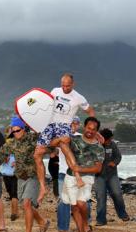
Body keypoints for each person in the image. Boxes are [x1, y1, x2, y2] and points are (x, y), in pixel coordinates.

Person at [34, 73, 95, 206]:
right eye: (63, 85)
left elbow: (90, 111)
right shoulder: (55, 91)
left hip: (64, 125)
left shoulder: (78, 97)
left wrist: (91, 128)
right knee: (37, 153)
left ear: (73, 84)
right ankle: (43, 188)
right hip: (49, 123)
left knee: (64, 144)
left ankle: (77, 175)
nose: (65, 88)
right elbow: (45, 104)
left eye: (68, 86)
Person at [0, 116, 50, 232]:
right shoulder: (12, 143)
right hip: (20, 177)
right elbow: (2, 152)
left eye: (17, 130)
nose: (15, 133)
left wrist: (46, 150)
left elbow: (47, 144)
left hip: (33, 175)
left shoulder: (33, 138)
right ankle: (42, 222)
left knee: (26, 203)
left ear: (24, 129)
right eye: (13, 131)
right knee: (27, 206)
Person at [61, 117, 104, 232]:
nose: (90, 131)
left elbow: (98, 169)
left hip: (87, 178)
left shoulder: (99, 148)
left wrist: (79, 169)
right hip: (70, 176)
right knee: (74, 206)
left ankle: (85, 224)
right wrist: (62, 137)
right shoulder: (74, 140)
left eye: (94, 129)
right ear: (84, 127)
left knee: (81, 203)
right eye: (89, 128)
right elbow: (58, 145)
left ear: (97, 131)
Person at [53, 117, 91, 232]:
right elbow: (51, 145)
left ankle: (86, 226)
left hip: (80, 174)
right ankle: (63, 229)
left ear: (78, 125)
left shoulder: (82, 137)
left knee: (83, 200)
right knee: (63, 201)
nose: (72, 126)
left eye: (74, 124)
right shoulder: (62, 137)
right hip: (63, 172)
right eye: (70, 124)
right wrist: (60, 138)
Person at [94, 128, 129, 226]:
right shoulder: (94, 145)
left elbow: (118, 156)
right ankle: (101, 220)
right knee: (101, 197)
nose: (110, 141)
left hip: (112, 175)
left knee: (117, 194)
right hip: (99, 176)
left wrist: (114, 162)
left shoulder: (113, 144)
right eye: (108, 139)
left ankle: (123, 214)